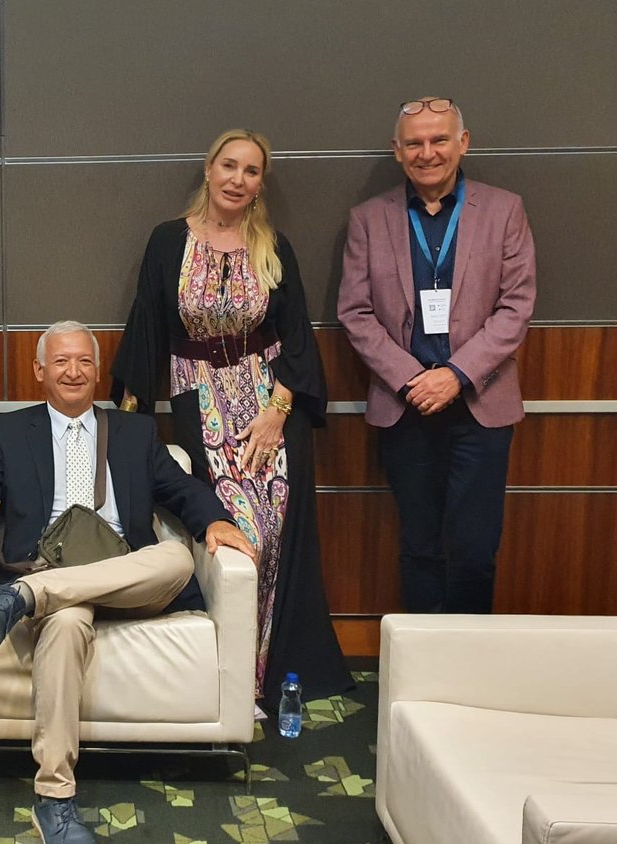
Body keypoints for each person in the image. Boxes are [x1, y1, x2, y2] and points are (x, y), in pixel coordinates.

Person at [0, 321, 255, 844]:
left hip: (124, 576)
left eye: (84, 362)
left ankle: (26, 597)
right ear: (39, 371)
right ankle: (55, 798)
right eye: (61, 361)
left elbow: (179, 489)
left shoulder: (134, 432)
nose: (73, 372)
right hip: (52, 574)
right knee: (67, 620)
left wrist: (215, 520)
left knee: (175, 558)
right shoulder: (11, 432)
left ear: (97, 372)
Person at [110, 130, 351, 704]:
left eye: (251, 171)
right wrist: (126, 422)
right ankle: (229, 673)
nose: (238, 180)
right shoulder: (168, 241)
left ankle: (271, 676)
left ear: (260, 184)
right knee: (241, 532)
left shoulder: (273, 245)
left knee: (278, 530)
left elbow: (296, 334)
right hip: (198, 396)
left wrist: (278, 411)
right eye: (229, 166)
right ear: (209, 169)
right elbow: (147, 327)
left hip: (271, 402)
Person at [337, 98, 536, 614]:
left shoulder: (504, 210)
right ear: (397, 151)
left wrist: (455, 375)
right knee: (419, 547)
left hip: (481, 405)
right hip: (406, 407)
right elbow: (355, 312)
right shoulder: (368, 219)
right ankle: (422, 658)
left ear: (462, 143)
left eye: (439, 139)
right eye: (415, 143)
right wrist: (412, 379)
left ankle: (468, 659)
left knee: (475, 551)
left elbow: (516, 307)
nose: (427, 152)